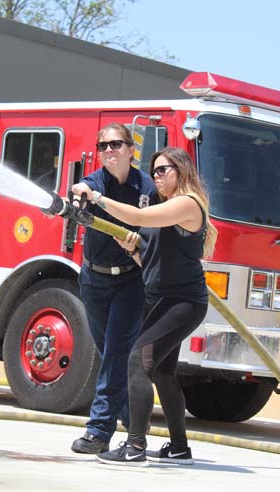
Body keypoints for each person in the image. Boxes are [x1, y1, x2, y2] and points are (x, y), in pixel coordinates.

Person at [74, 147, 217, 467]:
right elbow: (150, 261)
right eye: (153, 172)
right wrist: (132, 251)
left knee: (137, 362)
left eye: (163, 170)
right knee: (163, 374)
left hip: (183, 302)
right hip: (162, 300)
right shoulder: (166, 208)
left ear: (181, 171)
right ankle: (179, 447)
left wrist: (96, 197)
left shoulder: (187, 204)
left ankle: (135, 445)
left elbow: (137, 217)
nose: (157, 177)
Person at [70, 123, 159, 455]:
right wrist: (80, 194)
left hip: (130, 281)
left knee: (117, 351)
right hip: (93, 278)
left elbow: (158, 226)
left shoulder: (147, 187)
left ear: (130, 149)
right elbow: (82, 188)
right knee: (110, 353)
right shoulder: (96, 182)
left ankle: (98, 431)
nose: (109, 150)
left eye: (116, 144)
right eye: (103, 145)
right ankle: (134, 419)